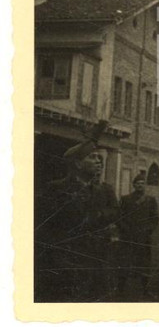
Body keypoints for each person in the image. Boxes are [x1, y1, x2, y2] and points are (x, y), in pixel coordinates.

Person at [36, 120, 120, 302]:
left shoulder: (103, 190)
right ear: (78, 164)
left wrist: (96, 217)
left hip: (96, 260)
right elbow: (45, 228)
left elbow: (114, 212)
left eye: (100, 159)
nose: (99, 162)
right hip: (65, 261)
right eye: (92, 158)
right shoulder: (56, 189)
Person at [116, 173, 159, 298]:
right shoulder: (125, 199)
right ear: (133, 185)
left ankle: (145, 290)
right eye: (137, 183)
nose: (140, 185)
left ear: (145, 185)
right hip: (127, 237)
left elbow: (154, 219)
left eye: (142, 183)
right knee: (124, 262)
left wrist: (147, 231)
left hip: (144, 237)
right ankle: (120, 290)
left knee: (144, 263)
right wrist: (125, 230)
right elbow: (119, 217)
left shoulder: (150, 200)